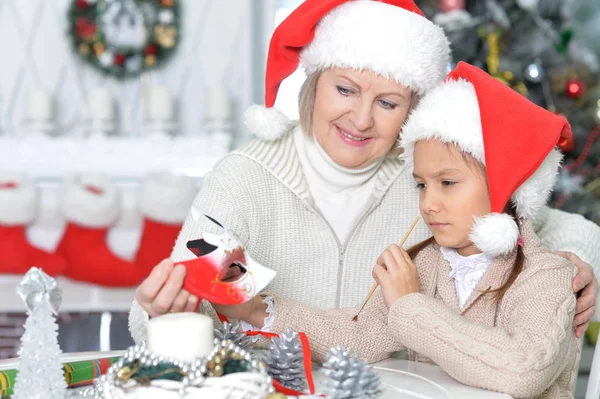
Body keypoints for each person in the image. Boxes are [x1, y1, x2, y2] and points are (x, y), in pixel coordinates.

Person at [129, 0, 600, 345]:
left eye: (388, 103)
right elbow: (164, 303)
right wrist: (162, 313)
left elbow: (571, 231)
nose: (360, 120)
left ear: (412, 108)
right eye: (345, 90)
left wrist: (574, 267)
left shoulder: (428, 180)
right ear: (314, 81)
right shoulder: (245, 179)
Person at [216, 62, 580, 398]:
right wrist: (258, 311)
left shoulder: (545, 276)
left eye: (448, 183)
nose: (428, 203)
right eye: (422, 184)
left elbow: (523, 370)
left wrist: (410, 306)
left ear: (506, 187)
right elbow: (359, 335)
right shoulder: (423, 263)